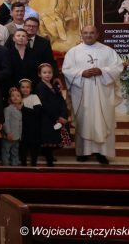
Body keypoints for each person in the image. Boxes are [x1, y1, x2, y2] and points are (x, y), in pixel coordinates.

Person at [62, 26, 123, 164]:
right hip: (82, 94)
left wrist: (103, 71)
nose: (88, 35)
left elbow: (118, 67)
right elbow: (66, 70)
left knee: (102, 121)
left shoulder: (108, 51)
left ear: (97, 34)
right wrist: (81, 73)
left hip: (103, 94)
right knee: (84, 120)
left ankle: (102, 153)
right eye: (85, 33)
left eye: (91, 33)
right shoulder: (73, 52)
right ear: (81, 34)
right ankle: (83, 152)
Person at [35, 63, 68, 167]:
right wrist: (57, 117)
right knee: (48, 139)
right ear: (40, 74)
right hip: (47, 117)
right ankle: (48, 158)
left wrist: (63, 114)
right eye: (44, 72)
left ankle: (48, 154)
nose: (47, 74)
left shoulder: (54, 86)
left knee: (55, 138)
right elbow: (44, 104)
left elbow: (62, 101)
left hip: (57, 116)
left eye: (49, 72)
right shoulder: (40, 87)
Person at [19, 78, 42, 166]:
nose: (25, 89)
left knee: (34, 147)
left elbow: (37, 112)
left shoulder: (34, 97)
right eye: (23, 87)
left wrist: (23, 108)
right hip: (23, 128)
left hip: (34, 127)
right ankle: (23, 165)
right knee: (23, 147)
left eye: (27, 87)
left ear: (31, 89)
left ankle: (33, 164)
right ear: (20, 88)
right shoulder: (19, 98)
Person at [2, 87, 23, 166]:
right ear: (10, 98)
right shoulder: (7, 109)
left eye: (18, 95)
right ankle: (6, 165)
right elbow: (5, 122)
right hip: (9, 135)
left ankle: (15, 164)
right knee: (6, 151)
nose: (15, 97)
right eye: (13, 95)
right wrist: (8, 132)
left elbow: (20, 124)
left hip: (17, 136)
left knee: (15, 151)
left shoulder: (20, 110)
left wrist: (20, 135)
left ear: (21, 99)